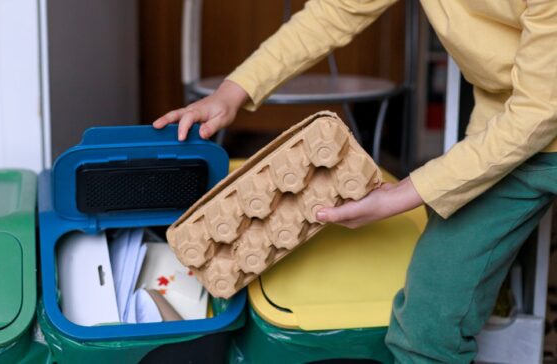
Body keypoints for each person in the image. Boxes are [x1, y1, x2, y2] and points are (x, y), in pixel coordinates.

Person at [153, 0, 557, 362]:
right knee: (427, 324)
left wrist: (404, 194)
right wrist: (234, 91)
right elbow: (335, 11)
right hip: (499, 135)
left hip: (535, 117)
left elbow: (539, 110)